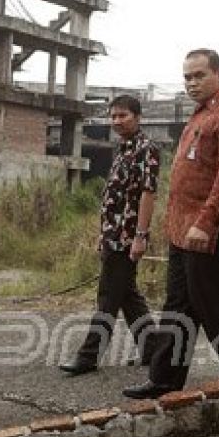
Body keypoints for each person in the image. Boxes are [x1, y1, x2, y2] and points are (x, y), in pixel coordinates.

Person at [122, 48, 219, 399]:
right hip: (182, 230)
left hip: (210, 232)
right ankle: (164, 379)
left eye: (200, 75)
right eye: (187, 77)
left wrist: (206, 222)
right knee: (178, 305)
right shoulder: (199, 115)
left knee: (210, 305)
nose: (192, 83)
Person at [60, 94, 158, 374]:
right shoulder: (123, 148)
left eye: (122, 115)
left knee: (108, 297)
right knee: (127, 295)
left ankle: (88, 356)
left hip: (127, 237)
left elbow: (148, 194)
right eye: (113, 116)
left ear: (137, 117)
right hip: (112, 234)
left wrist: (140, 235)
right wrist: (103, 234)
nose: (116, 121)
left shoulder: (146, 149)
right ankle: (153, 349)